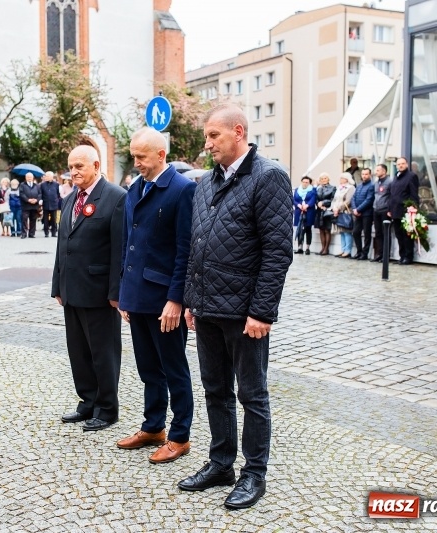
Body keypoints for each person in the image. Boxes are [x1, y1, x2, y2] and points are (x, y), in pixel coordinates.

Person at [181, 103, 293, 510]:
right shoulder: (207, 182)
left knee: (252, 395)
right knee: (215, 390)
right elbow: (197, 245)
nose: (207, 143)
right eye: (207, 136)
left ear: (239, 132)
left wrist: (262, 312)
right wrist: (192, 300)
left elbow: (277, 251)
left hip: (245, 312)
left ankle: (253, 474)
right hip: (208, 308)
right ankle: (221, 463)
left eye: (214, 135)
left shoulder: (269, 177)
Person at [117, 128, 196, 464]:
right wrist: (124, 294)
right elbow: (127, 246)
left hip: (165, 300)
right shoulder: (136, 187)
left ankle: (180, 436)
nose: (137, 163)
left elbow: (185, 250)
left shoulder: (182, 190)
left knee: (173, 368)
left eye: (142, 157)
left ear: (161, 155)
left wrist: (176, 299)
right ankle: (153, 427)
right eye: (134, 156)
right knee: (148, 368)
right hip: (138, 296)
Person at [52, 145, 126, 432]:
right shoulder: (71, 199)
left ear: (96, 165)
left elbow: (119, 250)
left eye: (80, 166)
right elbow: (62, 245)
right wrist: (58, 284)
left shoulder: (116, 198)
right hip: (72, 290)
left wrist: (115, 293)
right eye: (71, 167)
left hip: (99, 293)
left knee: (103, 352)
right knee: (79, 352)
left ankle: (107, 409)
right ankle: (87, 402)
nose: (74, 172)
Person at [387, 157, 420, 265]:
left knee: (407, 235)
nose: (400, 166)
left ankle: (408, 256)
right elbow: (392, 195)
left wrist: (413, 207)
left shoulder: (411, 176)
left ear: (406, 164)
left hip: (406, 210)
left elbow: (414, 194)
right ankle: (402, 256)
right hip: (395, 210)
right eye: (398, 164)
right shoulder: (396, 177)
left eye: (402, 164)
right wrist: (389, 209)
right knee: (399, 235)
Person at [351, 168, 375, 260]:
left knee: (367, 234)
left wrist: (358, 209)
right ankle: (359, 251)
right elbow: (353, 198)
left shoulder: (372, 185)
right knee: (355, 232)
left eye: (366, 174)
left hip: (367, 213)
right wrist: (354, 209)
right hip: (357, 213)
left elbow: (369, 200)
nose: (364, 176)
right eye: (363, 174)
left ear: (370, 175)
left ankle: (365, 253)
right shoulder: (359, 185)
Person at [331, 172, 356, 258]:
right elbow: (335, 199)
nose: (340, 180)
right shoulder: (339, 188)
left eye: (342, 178)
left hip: (345, 212)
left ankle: (347, 250)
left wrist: (339, 208)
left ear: (346, 179)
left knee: (347, 232)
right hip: (338, 212)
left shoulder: (351, 188)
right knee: (341, 232)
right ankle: (343, 249)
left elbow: (348, 201)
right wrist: (334, 207)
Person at [371, 164, 392, 262]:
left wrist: (390, 209)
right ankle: (379, 254)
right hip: (376, 210)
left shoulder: (390, 182)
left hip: (385, 210)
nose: (376, 172)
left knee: (385, 233)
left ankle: (386, 255)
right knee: (378, 233)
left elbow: (392, 196)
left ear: (384, 171)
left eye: (378, 170)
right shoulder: (376, 183)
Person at [293, 176, 316, 255]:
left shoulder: (312, 190)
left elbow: (313, 199)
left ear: (309, 183)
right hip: (299, 211)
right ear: (301, 182)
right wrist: (299, 205)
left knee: (308, 229)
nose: (305, 183)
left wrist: (307, 205)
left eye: (307, 182)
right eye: (304, 182)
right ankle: (300, 247)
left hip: (308, 211)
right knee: (300, 229)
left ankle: (307, 247)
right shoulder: (297, 190)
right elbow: (294, 199)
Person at [314, 172, 336, 255]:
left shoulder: (333, 188)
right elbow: (316, 198)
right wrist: (318, 204)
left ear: (328, 179)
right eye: (322, 178)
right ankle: (322, 247)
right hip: (319, 211)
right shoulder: (318, 188)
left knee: (327, 230)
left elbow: (333, 198)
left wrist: (323, 203)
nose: (323, 180)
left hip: (327, 211)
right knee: (321, 230)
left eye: (325, 178)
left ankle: (326, 248)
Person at [19, 171, 41, 238]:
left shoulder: (37, 185)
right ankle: (24, 234)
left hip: (34, 205)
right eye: (28, 177)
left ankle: (32, 234)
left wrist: (36, 200)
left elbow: (40, 194)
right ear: (26, 178)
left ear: (33, 177)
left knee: (33, 220)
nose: (29, 178)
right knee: (24, 219)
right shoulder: (22, 185)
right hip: (26, 205)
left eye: (30, 177)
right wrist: (28, 200)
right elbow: (21, 194)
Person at [40, 171, 60, 238]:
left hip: (54, 204)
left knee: (54, 219)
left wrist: (56, 200)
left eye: (48, 176)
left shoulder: (56, 184)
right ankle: (46, 233)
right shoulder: (42, 185)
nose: (46, 177)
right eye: (46, 176)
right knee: (45, 219)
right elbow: (41, 194)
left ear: (52, 177)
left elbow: (57, 194)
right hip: (45, 203)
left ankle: (54, 232)